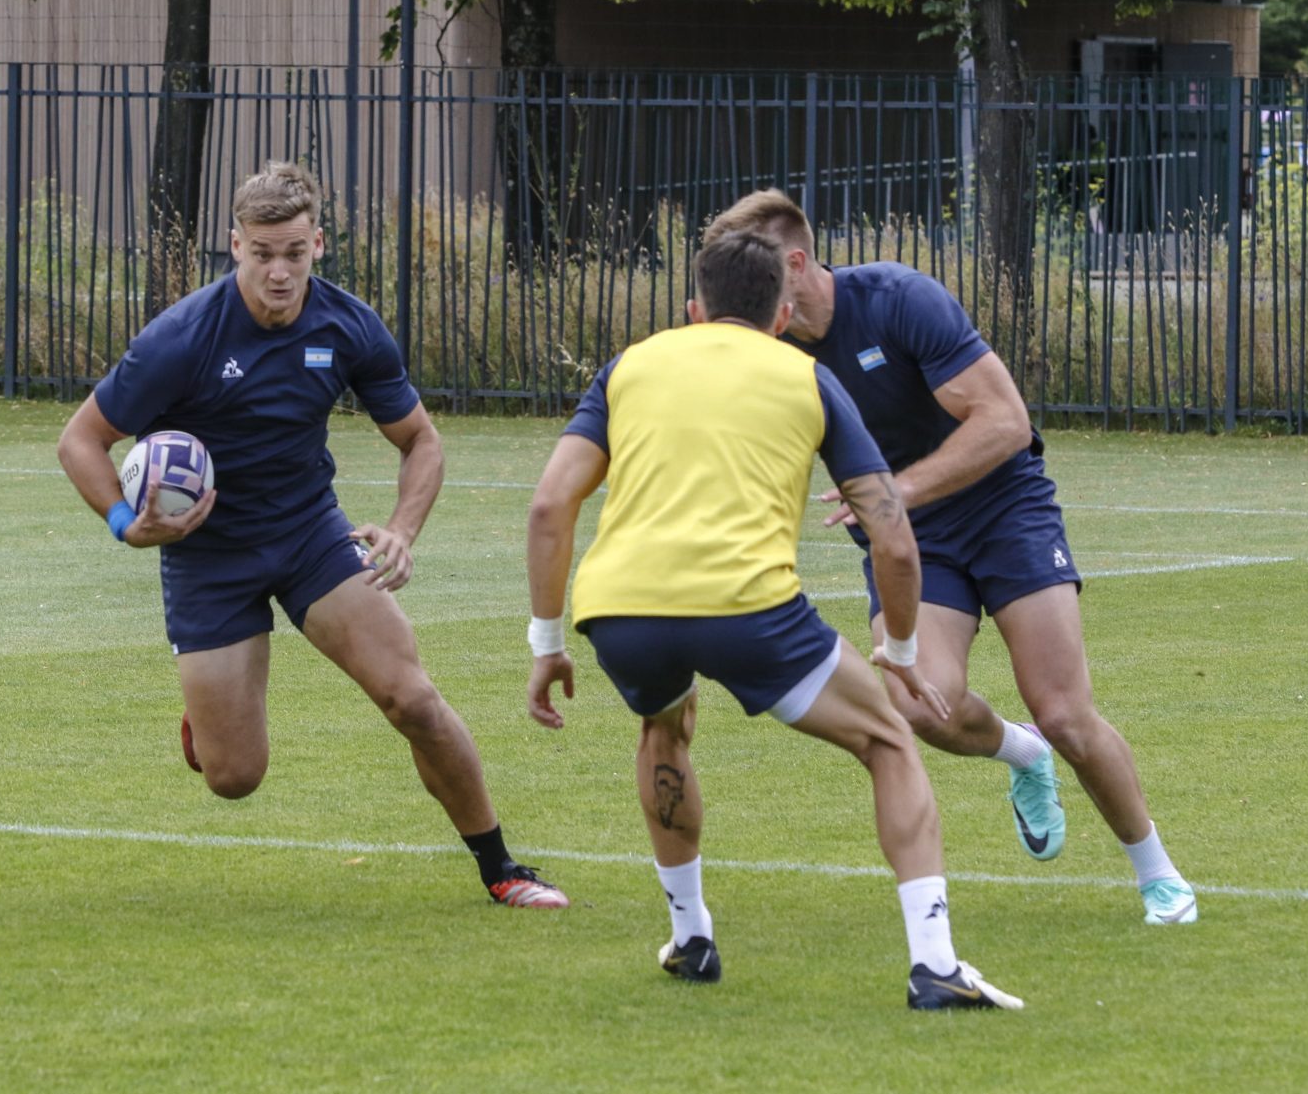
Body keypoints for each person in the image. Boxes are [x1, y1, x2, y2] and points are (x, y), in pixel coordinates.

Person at [525, 230, 1021, 1009]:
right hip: (749, 609)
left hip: (621, 610)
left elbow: (552, 503)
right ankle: (935, 962)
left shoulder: (629, 366)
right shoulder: (807, 376)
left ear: (693, 310)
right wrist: (897, 649)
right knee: (889, 738)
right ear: (782, 316)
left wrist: (546, 642)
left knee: (663, 729)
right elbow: (890, 531)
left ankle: (692, 937)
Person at [57, 161, 567, 909]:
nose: (279, 272)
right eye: (262, 254)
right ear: (234, 246)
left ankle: (502, 866)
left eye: (294, 253)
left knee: (414, 700)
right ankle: (208, 722)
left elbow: (421, 440)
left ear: (318, 244)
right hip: (208, 557)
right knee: (235, 777)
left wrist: (400, 529)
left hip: (309, 536)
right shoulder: (183, 336)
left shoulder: (348, 325)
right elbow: (81, 439)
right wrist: (127, 524)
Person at [706, 189, 1196, 925]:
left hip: (1005, 510)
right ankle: (1022, 756)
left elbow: (1004, 420)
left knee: (1064, 711)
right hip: (910, 541)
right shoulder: (767, 348)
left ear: (796, 264)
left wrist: (896, 491)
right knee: (919, 702)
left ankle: (1158, 872)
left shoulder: (900, 298)